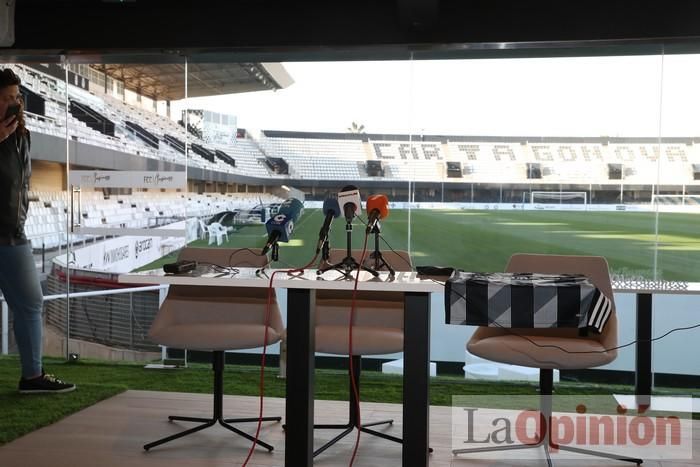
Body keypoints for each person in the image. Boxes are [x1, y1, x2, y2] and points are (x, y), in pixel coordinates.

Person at [0, 68, 75, 394]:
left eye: (16, 98)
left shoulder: (22, 137)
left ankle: (32, 377)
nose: (13, 104)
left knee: (30, 303)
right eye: (5, 98)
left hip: (12, 235)